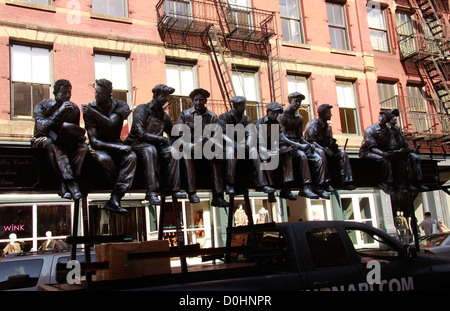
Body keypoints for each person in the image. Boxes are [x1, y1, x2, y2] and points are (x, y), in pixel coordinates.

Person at [82, 79, 137, 215]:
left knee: (131, 157)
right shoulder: (90, 108)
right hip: (101, 146)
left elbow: (112, 123)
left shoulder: (121, 105)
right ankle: (116, 189)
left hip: (116, 142)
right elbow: (94, 141)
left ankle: (115, 199)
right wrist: (118, 148)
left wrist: (92, 113)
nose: (96, 95)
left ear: (108, 94)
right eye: (96, 92)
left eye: (100, 93)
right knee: (102, 159)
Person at [125, 84, 186, 205]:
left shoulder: (164, 116)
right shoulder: (142, 109)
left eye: (167, 97)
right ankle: (151, 192)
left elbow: (172, 134)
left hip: (156, 145)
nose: (166, 99)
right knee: (150, 150)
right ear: (156, 95)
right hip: (136, 143)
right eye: (164, 96)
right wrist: (161, 139)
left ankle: (174, 188)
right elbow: (140, 133)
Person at [31, 79, 88, 200]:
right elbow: (42, 128)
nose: (67, 96)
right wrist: (59, 112)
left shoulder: (74, 108)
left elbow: (74, 130)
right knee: (51, 143)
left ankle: (65, 184)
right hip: (42, 140)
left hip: (64, 141)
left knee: (83, 147)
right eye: (63, 93)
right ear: (56, 93)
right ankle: (72, 185)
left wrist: (78, 135)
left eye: (69, 93)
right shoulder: (42, 106)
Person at [175, 88, 228, 207]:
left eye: (201, 100)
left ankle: (218, 196)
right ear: (192, 101)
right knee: (186, 154)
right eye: (196, 100)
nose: (198, 102)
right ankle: (192, 193)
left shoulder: (212, 116)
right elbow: (178, 135)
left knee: (216, 157)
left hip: (206, 148)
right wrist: (190, 145)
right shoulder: (185, 114)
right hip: (190, 148)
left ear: (205, 101)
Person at [218, 96, 275, 195]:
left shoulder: (246, 119)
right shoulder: (224, 117)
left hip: (242, 147)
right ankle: (229, 185)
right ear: (235, 106)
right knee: (231, 151)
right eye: (242, 106)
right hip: (227, 147)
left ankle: (262, 184)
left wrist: (248, 144)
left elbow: (250, 133)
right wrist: (235, 144)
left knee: (254, 151)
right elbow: (221, 134)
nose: (244, 108)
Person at [279, 92, 332, 199]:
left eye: (299, 102)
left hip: (298, 145)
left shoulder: (299, 118)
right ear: (290, 101)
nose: (298, 104)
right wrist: (300, 146)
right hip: (286, 145)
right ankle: (305, 187)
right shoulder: (282, 116)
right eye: (295, 101)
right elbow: (283, 138)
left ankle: (319, 186)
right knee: (302, 156)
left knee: (317, 157)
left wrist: (308, 144)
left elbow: (300, 137)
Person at [305, 103, 355, 190]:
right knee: (321, 152)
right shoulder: (313, 124)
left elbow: (330, 142)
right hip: (313, 149)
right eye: (328, 113)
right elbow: (310, 141)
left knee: (342, 153)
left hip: (326, 150)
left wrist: (333, 146)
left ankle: (346, 181)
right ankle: (326, 182)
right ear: (322, 113)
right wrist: (324, 149)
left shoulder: (328, 127)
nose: (330, 115)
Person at [254, 102, 296, 202]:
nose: (276, 115)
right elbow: (256, 142)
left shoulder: (277, 124)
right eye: (274, 112)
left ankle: (286, 187)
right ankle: (270, 190)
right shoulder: (259, 123)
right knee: (266, 159)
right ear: (268, 111)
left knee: (287, 155)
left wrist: (288, 148)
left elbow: (281, 140)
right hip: (261, 149)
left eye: (278, 113)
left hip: (273, 149)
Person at [389, 109, 428, 192]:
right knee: (404, 160)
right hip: (394, 153)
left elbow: (404, 143)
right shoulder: (387, 130)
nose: (395, 118)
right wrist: (399, 150)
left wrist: (413, 150)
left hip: (403, 152)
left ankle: (418, 183)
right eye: (393, 116)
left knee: (415, 157)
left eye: (396, 116)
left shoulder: (397, 130)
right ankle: (407, 184)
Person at [359, 110, 396, 195]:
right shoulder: (370, 130)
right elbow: (372, 148)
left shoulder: (389, 132)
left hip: (382, 152)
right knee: (383, 160)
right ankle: (384, 183)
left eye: (384, 117)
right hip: (367, 152)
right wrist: (384, 154)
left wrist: (394, 152)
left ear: (387, 121)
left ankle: (401, 183)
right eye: (380, 116)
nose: (381, 118)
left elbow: (392, 145)